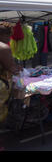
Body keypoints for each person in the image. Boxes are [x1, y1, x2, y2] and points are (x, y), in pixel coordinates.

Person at [0, 22, 22, 150]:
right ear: (4, 35)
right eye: (9, 36)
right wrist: (18, 69)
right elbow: (12, 69)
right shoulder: (3, 48)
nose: (10, 39)